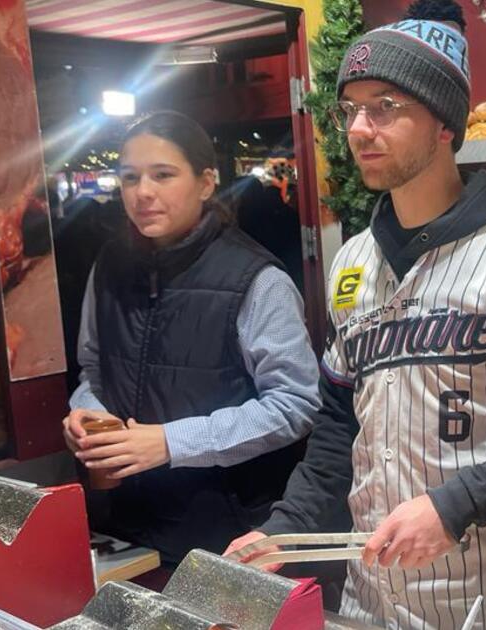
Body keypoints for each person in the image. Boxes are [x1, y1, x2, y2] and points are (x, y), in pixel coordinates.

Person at [226, 2, 486, 627]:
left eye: (385, 107)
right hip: (370, 593)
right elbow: (336, 425)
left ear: (443, 123)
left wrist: (455, 504)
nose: (359, 128)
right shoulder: (353, 263)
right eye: (350, 108)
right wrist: (287, 529)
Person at [63, 111, 322, 569]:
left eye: (163, 175)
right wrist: (89, 415)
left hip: (226, 530)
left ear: (205, 183)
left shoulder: (255, 278)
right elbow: (92, 367)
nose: (143, 192)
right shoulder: (109, 265)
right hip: (125, 523)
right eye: (129, 177)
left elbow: (295, 403)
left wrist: (170, 443)